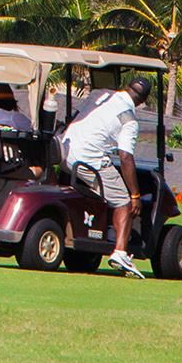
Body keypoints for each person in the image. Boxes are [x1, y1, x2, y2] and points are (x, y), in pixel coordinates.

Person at [61, 73, 153, 277]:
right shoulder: (129, 119)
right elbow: (126, 157)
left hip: (64, 152)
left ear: (127, 87)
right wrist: (135, 195)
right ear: (143, 100)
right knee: (123, 202)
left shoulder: (100, 94)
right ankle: (120, 252)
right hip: (88, 160)